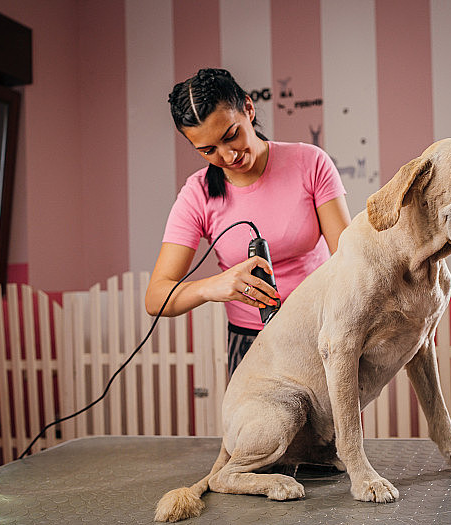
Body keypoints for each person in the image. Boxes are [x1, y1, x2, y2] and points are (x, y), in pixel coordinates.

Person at [145, 68, 350, 376]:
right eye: (208, 150)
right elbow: (156, 298)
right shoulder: (196, 195)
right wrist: (212, 287)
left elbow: (348, 260)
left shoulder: (310, 163)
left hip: (322, 332)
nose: (228, 156)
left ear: (249, 109)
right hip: (250, 344)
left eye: (231, 135)